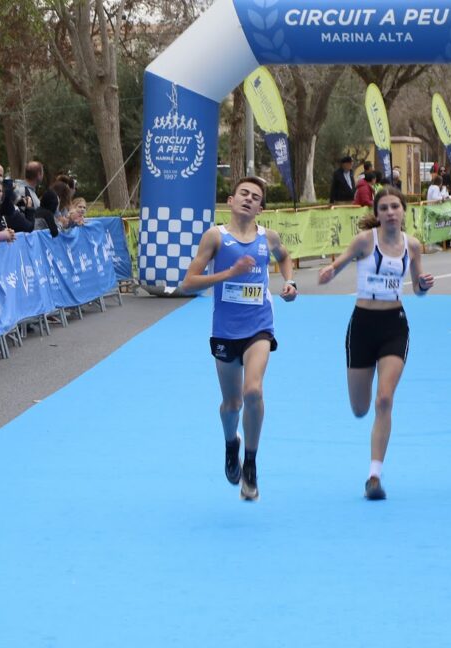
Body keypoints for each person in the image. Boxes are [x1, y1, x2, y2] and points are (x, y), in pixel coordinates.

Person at [178, 177, 297, 502]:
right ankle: (232, 443)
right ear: (230, 201)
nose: (248, 199)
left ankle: (251, 463)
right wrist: (229, 274)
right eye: (243, 193)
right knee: (232, 404)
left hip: (259, 325)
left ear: (261, 208)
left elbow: (285, 257)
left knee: (253, 391)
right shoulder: (215, 237)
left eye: (255, 197)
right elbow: (188, 282)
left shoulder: (268, 237)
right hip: (225, 331)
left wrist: (290, 283)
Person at [317, 187, 435, 500]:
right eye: (384, 208)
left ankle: (374, 476)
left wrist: (423, 286)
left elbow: (418, 288)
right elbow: (340, 263)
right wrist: (329, 272)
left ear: (404, 210)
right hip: (362, 326)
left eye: (395, 206)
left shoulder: (412, 246)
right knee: (360, 408)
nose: (390, 212)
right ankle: (364, 422)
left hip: (394, 326)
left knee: (384, 400)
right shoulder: (365, 241)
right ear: (377, 213)